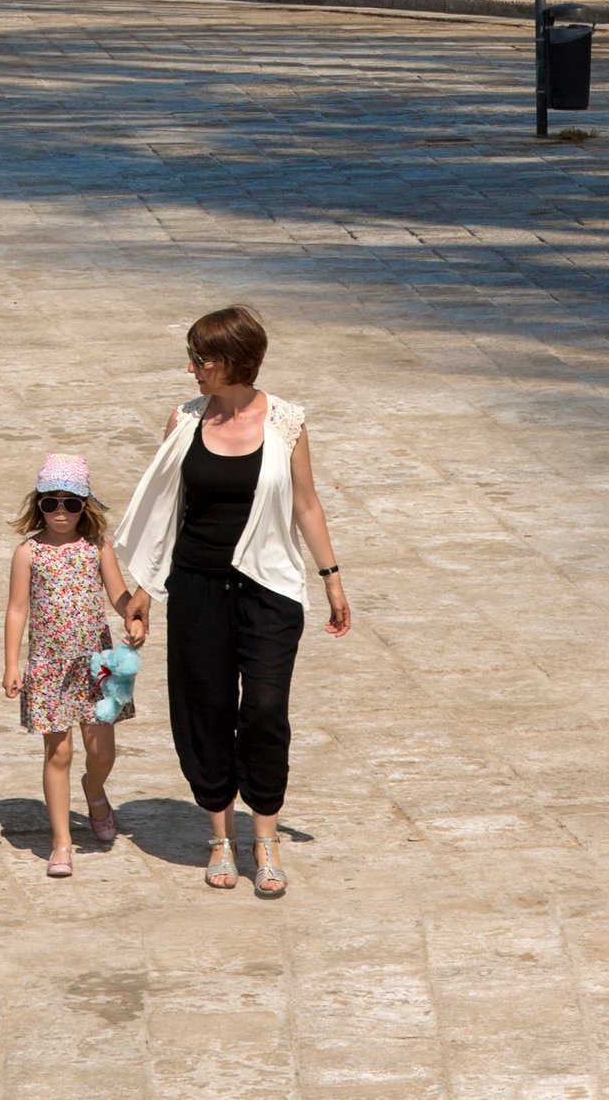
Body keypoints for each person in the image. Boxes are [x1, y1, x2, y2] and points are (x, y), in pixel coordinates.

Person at [118, 303, 349, 898]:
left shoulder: (287, 423)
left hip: (269, 589)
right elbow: (165, 510)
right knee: (206, 708)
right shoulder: (185, 420)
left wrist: (330, 576)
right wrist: (143, 587)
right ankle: (221, 834)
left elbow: (305, 503)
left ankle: (265, 839)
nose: (191, 368)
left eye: (201, 359)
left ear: (232, 362)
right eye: (193, 358)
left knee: (267, 710)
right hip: (197, 586)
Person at [1, 452, 149, 879]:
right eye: (51, 503)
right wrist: (13, 664)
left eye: (71, 503)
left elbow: (119, 595)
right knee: (58, 751)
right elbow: (16, 610)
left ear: (86, 505)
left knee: (101, 749)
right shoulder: (28, 552)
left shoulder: (96, 546)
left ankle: (95, 788)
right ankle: (61, 841)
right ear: (38, 504)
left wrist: (133, 616)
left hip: (97, 664)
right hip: (48, 665)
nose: (60, 512)